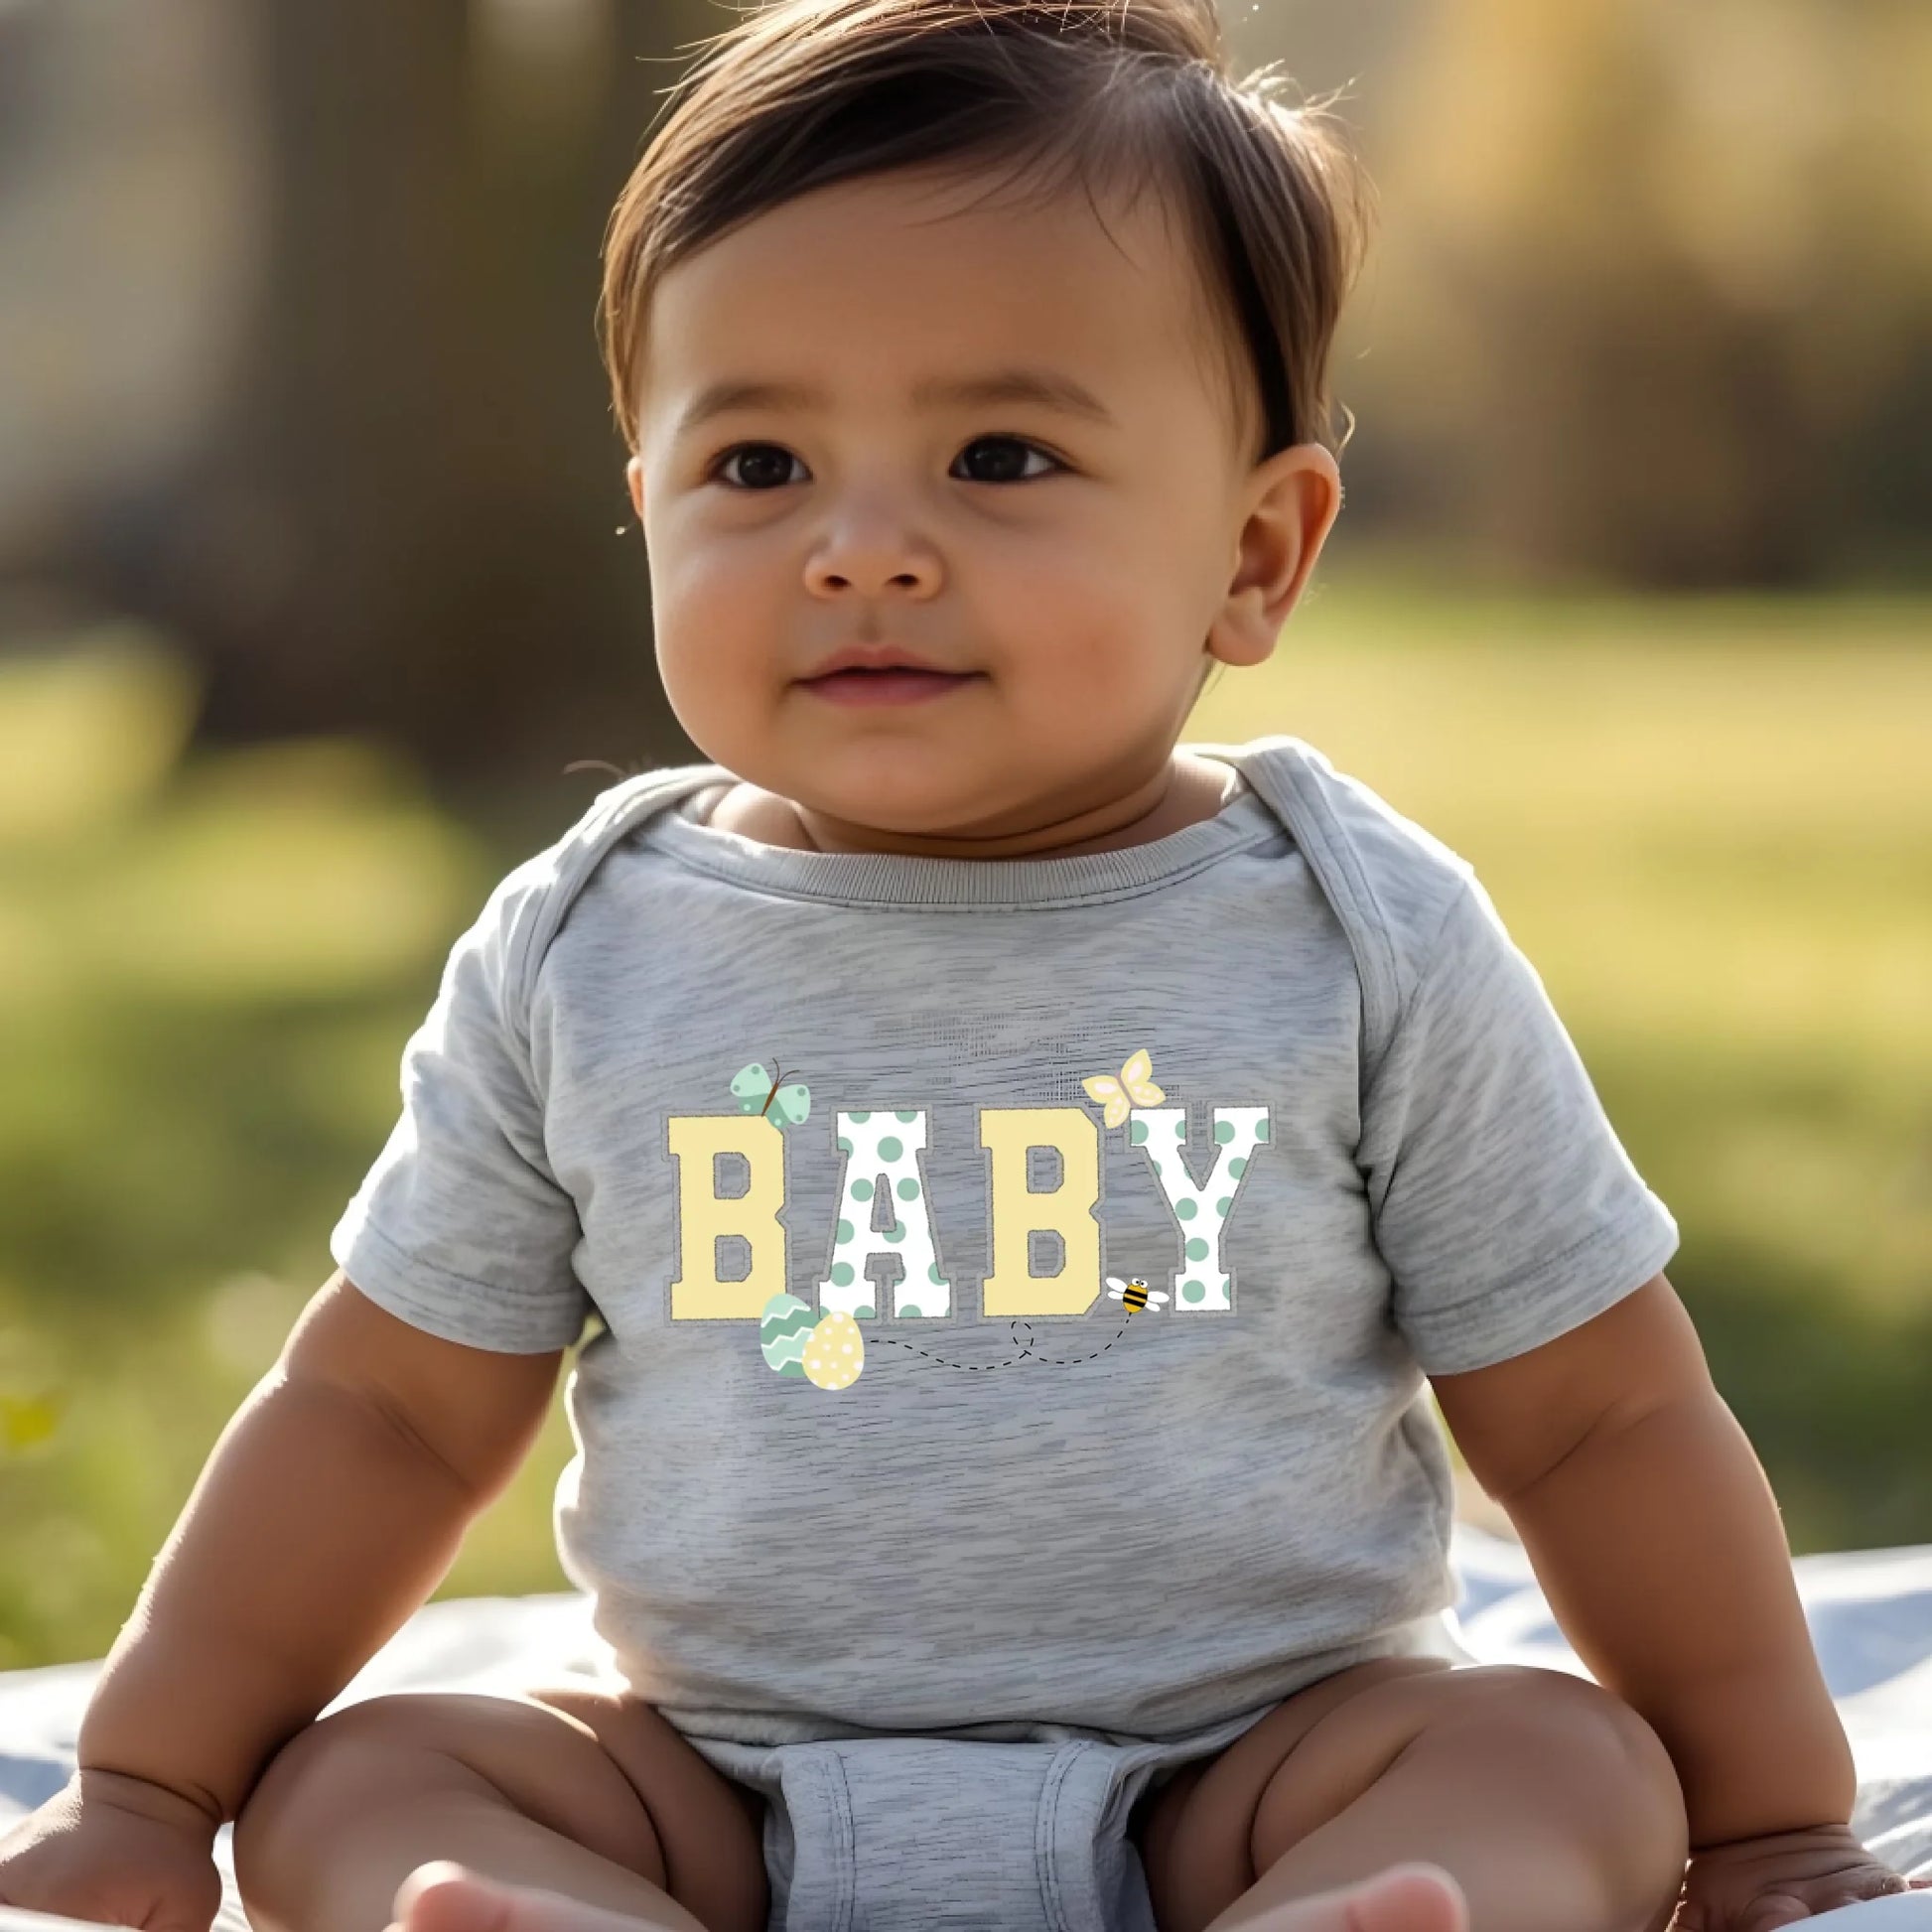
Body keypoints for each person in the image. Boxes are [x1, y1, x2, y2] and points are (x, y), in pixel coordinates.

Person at [3, 4, 1927, 1932]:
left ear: (1254, 553)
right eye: (755, 461)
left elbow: (1596, 1413)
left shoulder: (1357, 931)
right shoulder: (585, 944)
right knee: (373, 1771)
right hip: (720, 1788)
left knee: (1551, 1757)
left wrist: (1761, 1822)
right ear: (646, 504)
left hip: (1253, 1766)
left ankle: (1350, 1915)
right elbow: (383, 1412)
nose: (858, 549)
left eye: (997, 455)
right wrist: (154, 1778)